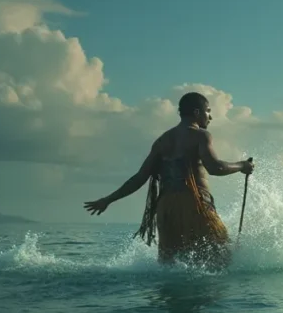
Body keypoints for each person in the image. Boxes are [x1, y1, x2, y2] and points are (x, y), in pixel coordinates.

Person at [83, 92, 255, 267]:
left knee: (171, 264)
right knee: (222, 258)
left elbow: (139, 178)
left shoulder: (162, 141)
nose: (210, 117)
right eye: (208, 111)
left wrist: (108, 200)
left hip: (165, 209)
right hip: (195, 204)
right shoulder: (201, 135)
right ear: (197, 112)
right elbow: (215, 167)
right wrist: (242, 166)